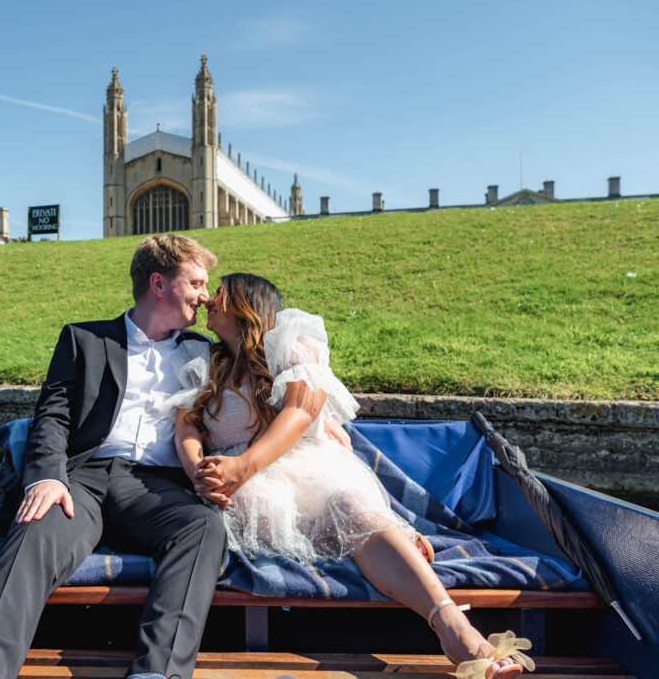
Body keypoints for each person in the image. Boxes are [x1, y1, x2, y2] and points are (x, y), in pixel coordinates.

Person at [0, 234, 231, 679]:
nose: (205, 297)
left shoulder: (204, 351)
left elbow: (254, 395)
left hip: (157, 487)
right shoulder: (84, 339)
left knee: (204, 526)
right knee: (35, 526)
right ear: (159, 284)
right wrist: (46, 477)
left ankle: (156, 673)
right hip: (82, 478)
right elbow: (51, 417)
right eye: (197, 284)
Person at [173, 273, 535, 679]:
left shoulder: (293, 343)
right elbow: (186, 426)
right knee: (261, 510)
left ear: (247, 301)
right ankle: (398, 547)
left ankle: (457, 629)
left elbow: (301, 412)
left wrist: (245, 465)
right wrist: (198, 470)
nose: (208, 299)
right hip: (247, 484)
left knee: (349, 509)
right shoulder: (206, 363)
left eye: (218, 290)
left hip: (305, 466)